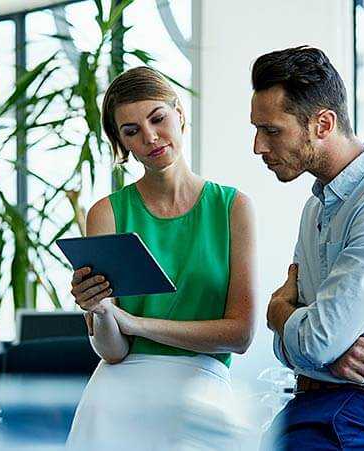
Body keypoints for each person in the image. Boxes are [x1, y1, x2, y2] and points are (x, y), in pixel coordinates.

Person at [66, 66, 256, 450]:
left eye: (158, 118)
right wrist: (101, 310)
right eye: (131, 131)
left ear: (179, 114)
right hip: (117, 393)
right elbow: (113, 351)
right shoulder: (107, 212)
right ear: (122, 144)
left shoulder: (233, 207)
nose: (150, 137)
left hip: (200, 386)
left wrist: (135, 324)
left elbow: (239, 335)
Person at [250, 46, 364, 450]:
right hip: (315, 406)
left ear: (323, 123)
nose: (258, 147)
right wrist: (324, 356)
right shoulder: (315, 206)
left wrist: (277, 310)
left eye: (271, 130)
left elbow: (315, 338)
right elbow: (306, 346)